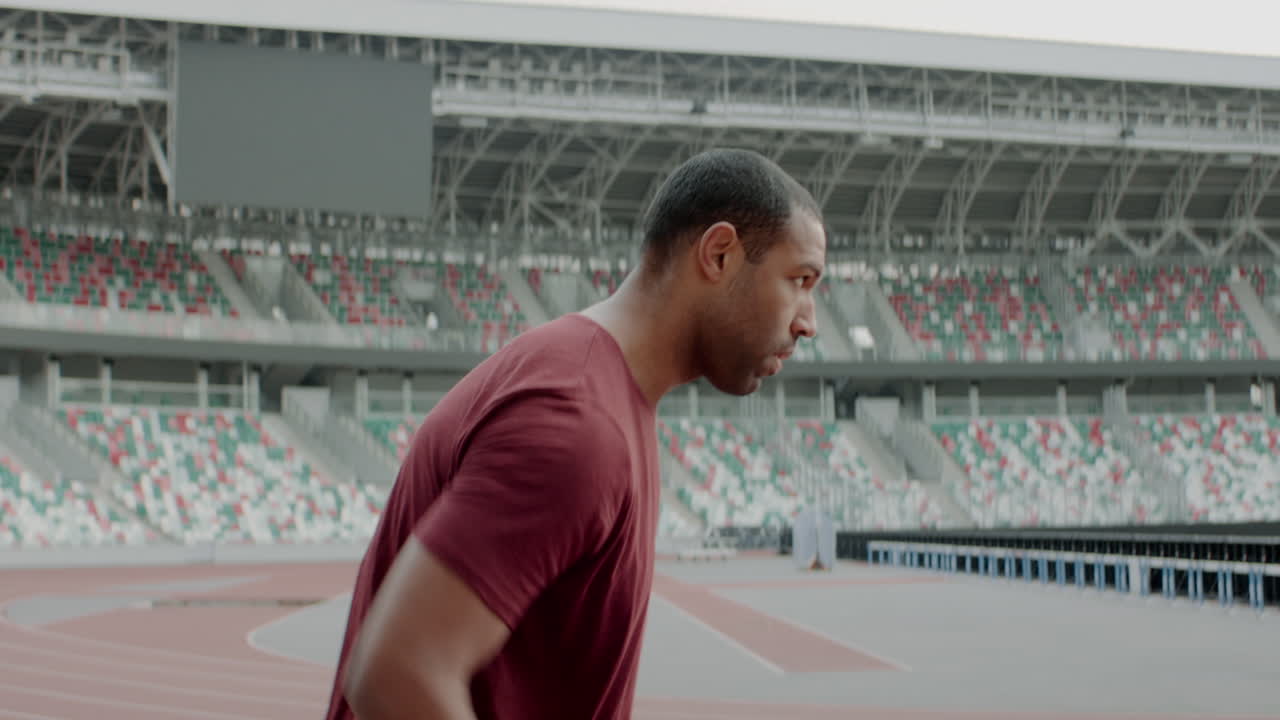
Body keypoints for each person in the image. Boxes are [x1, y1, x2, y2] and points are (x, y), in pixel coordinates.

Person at [324, 148, 827, 720]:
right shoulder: (577, 423)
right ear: (718, 254)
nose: (808, 320)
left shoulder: (592, 386)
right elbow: (397, 674)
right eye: (799, 280)